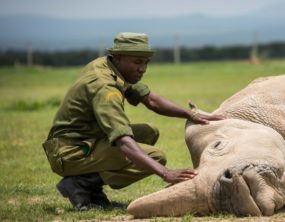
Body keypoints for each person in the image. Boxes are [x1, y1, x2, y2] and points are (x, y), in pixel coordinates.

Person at [42, 32, 224, 211]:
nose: (143, 69)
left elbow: (150, 100)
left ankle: (91, 190)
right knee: (155, 157)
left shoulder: (109, 65)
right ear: (119, 57)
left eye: (146, 62)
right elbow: (123, 141)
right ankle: (80, 184)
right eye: (137, 62)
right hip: (69, 152)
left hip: (84, 140)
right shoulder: (105, 88)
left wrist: (190, 115)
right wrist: (165, 173)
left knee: (148, 132)